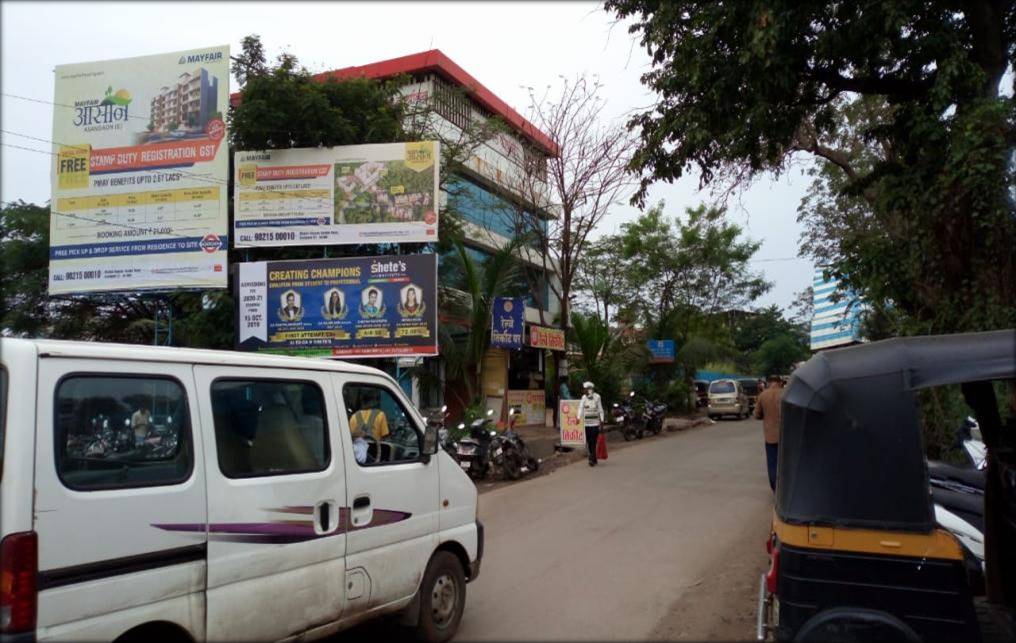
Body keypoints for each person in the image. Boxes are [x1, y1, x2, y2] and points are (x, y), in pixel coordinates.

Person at [754, 374, 784, 492]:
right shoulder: (786, 394)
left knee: (772, 463)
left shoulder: (763, 395)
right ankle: (786, 489)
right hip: (786, 436)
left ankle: (775, 488)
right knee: (785, 463)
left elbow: (757, 415)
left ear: (768, 382)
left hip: (770, 436)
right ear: (780, 382)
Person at [577, 381, 604, 467]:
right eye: (584, 389)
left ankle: (591, 458)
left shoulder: (597, 397)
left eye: (585, 389)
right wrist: (578, 417)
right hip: (587, 424)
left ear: (590, 389)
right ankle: (593, 458)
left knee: (593, 441)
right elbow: (581, 408)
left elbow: (600, 410)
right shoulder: (584, 397)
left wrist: (602, 421)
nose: (584, 391)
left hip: (595, 424)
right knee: (589, 441)